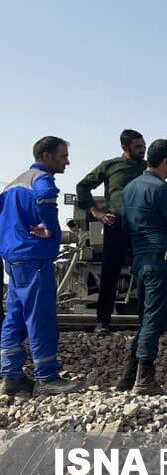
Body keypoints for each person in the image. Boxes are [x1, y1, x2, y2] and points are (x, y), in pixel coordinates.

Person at [0, 136, 82, 397]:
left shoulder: (13, 184)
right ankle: (47, 376)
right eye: (62, 156)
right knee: (40, 316)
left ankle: (11, 375)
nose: (67, 161)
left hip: (14, 258)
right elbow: (46, 196)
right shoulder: (40, 180)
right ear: (46, 156)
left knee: (15, 316)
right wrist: (48, 226)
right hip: (34, 258)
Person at [118, 139, 167, 395]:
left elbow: (126, 225)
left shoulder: (129, 189)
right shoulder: (161, 190)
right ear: (166, 160)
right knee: (154, 320)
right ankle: (144, 379)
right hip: (161, 261)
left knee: (145, 319)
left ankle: (128, 375)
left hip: (141, 259)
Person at [75, 129, 147, 334]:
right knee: (109, 273)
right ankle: (102, 322)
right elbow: (83, 186)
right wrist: (96, 211)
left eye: (143, 146)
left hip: (141, 226)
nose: (143, 150)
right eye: (138, 147)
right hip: (116, 223)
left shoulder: (147, 168)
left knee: (144, 273)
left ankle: (146, 323)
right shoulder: (109, 166)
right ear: (125, 148)